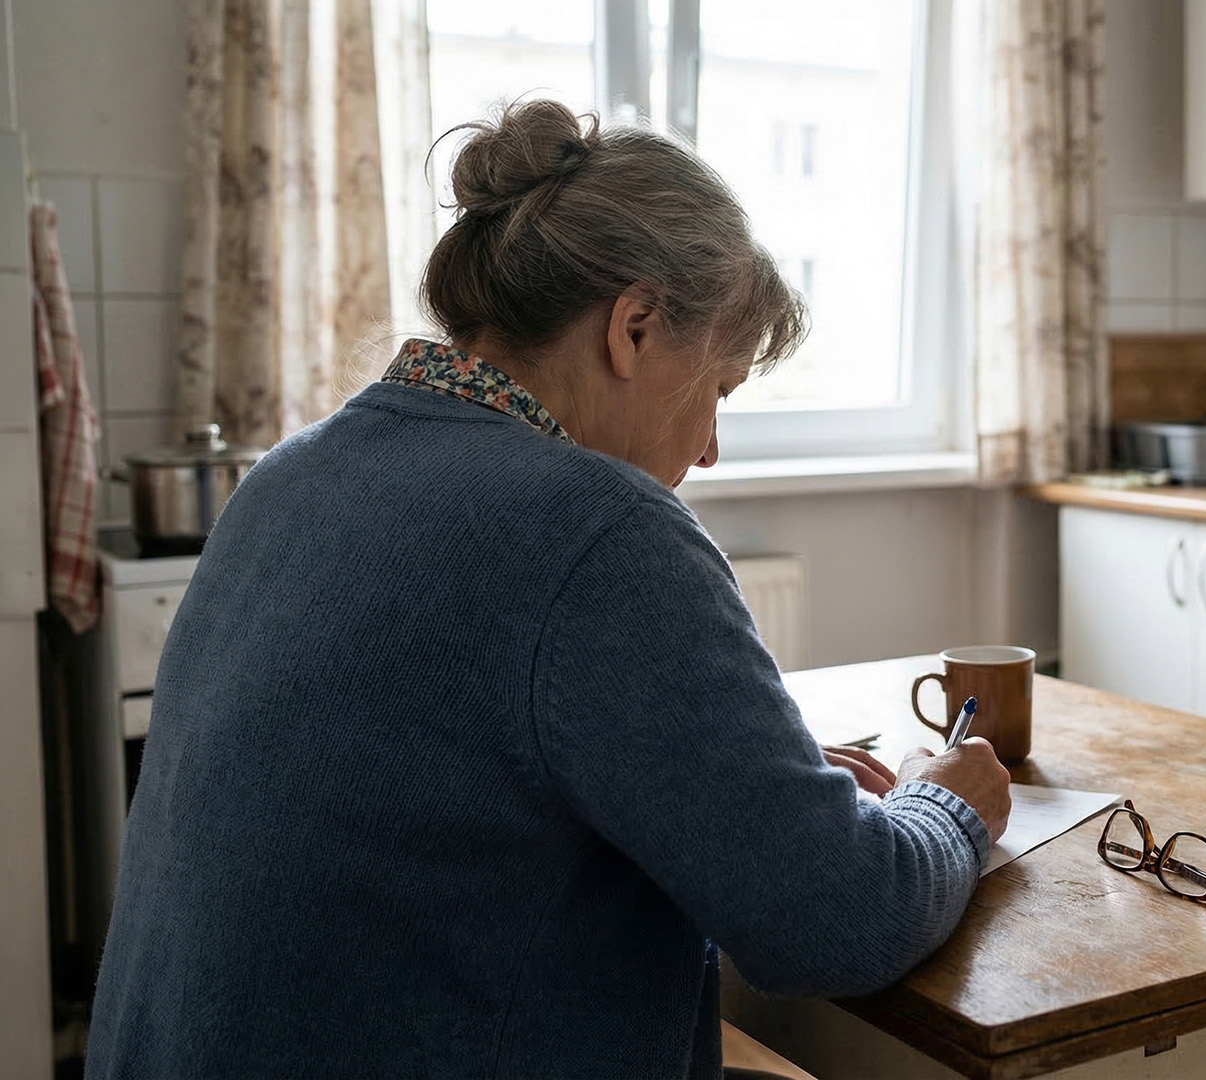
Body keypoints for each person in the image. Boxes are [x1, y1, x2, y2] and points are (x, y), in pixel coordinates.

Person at [85, 100, 1013, 1079]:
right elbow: (834, 923)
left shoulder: (289, 474)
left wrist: (737, 786)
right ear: (637, 325)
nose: (706, 447)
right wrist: (943, 805)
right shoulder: (599, 531)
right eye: (718, 390)